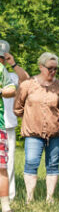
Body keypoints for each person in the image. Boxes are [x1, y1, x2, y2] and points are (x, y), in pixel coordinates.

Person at [14, 52, 59, 203]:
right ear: (41, 67)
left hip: (55, 132)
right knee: (31, 162)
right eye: (50, 68)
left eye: (55, 69)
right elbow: (17, 107)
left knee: (53, 165)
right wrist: (30, 117)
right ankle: (29, 198)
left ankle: (50, 198)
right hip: (33, 132)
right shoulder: (28, 84)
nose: (53, 71)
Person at [0, 41, 29, 201]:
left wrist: (13, 64)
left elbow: (26, 80)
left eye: (2, 57)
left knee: (8, 162)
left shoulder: (11, 76)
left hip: (8, 124)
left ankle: (9, 195)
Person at [0, 53, 18, 212]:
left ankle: (5, 208)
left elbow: (12, 89)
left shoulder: (1, 69)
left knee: (1, 167)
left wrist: (2, 91)